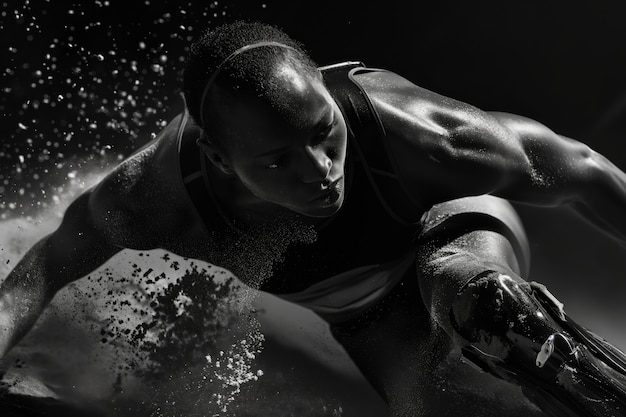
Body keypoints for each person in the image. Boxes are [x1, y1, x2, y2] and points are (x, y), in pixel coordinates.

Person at [1, 20, 626, 416]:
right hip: (367, 320)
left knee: (483, 307)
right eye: (278, 161)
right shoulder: (158, 199)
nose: (321, 171)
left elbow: (587, 172)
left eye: (325, 134)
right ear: (219, 158)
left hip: (450, 230)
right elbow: (39, 272)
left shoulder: (416, 134)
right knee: (437, 406)